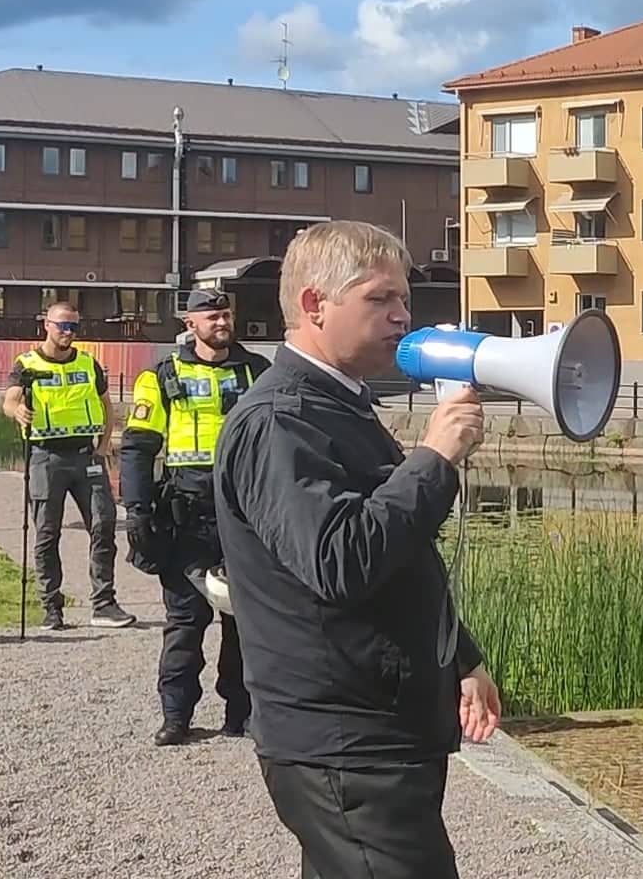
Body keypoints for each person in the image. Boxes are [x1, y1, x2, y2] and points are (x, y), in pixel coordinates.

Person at [214, 221, 499, 879]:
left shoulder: (334, 406)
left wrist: (460, 656)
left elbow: (397, 560)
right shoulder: (278, 421)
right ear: (315, 305)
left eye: (404, 300)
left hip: (374, 732)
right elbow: (340, 560)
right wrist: (434, 459)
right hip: (344, 742)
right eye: (380, 300)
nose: (403, 316)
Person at [120, 289, 273, 746]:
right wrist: (138, 509)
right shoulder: (162, 375)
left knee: (245, 622)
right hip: (186, 515)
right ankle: (176, 716)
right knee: (185, 624)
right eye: (211, 316)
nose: (221, 322)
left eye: (226, 314)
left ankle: (240, 714)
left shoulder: (257, 371)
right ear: (190, 324)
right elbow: (138, 447)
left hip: (245, 512)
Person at [1, 302, 134, 630]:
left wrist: (104, 446)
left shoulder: (89, 364)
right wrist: (17, 411)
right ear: (46, 325)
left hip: (85, 455)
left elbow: (106, 407)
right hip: (46, 457)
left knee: (104, 525)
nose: (68, 333)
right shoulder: (27, 364)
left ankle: (104, 603)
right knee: (47, 533)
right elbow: (9, 400)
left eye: (73, 326)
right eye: (62, 325)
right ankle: (51, 606)